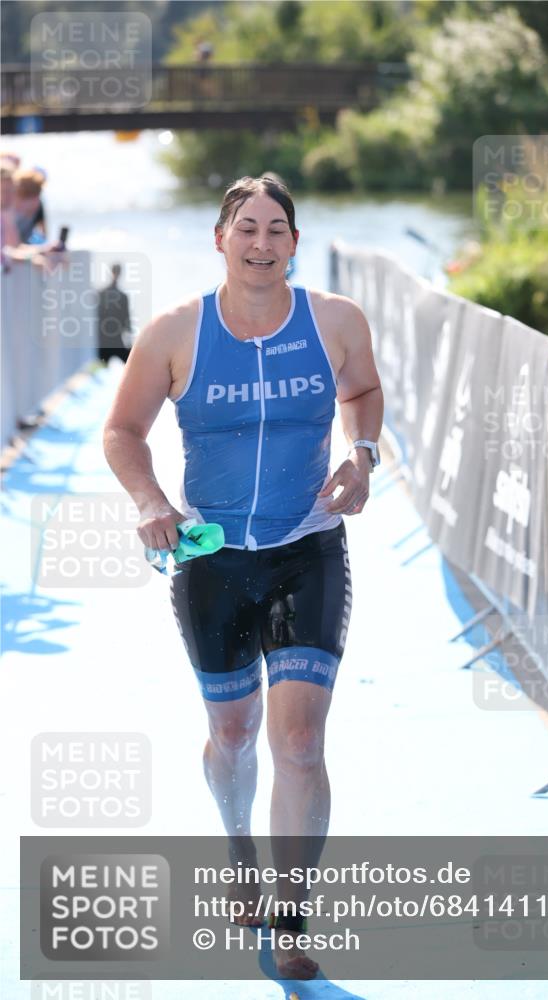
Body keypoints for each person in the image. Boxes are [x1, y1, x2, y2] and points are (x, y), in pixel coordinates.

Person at [103, 175, 383, 980]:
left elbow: (361, 391)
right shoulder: (173, 332)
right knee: (232, 736)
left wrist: (360, 456)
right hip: (211, 559)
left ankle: (292, 916)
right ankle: (238, 847)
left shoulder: (334, 321)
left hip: (308, 547)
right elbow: (122, 431)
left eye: (276, 230)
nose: (261, 244)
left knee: (297, 741)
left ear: (294, 242)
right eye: (246, 229)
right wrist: (150, 501)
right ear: (219, 240)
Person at [97, 263, 132, 364]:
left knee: (129, 362)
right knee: (99, 367)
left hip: (114, 338)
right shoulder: (102, 294)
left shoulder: (121, 296)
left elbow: (126, 319)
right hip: (105, 339)